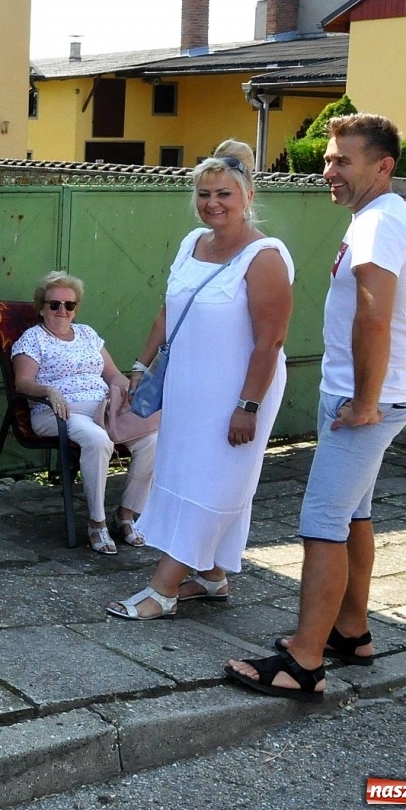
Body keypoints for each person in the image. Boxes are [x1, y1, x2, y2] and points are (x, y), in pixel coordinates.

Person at [227, 113, 406, 700]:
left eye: (343, 160)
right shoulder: (379, 219)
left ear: (383, 166)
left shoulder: (378, 225)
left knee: (321, 523)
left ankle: (304, 662)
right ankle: (351, 631)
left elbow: (373, 315)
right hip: (370, 392)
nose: (329, 170)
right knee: (353, 514)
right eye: (328, 159)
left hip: (365, 398)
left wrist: (364, 401)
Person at [108, 141, 294, 620]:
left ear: (248, 195)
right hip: (189, 389)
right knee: (183, 477)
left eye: (225, 194)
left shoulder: (266, 256)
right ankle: (210, 577)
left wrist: (247, 406)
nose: (213, 203)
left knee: (216, 484)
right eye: (205, 193)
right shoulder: (193, 244)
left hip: (237, 393)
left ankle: (162, 590)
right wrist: (140, 365)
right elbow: (169, 310)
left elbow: (268, 343)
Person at [10, 271, 157, 555]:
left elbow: (113, 375)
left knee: (152, 440)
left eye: (70, 305)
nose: (62, 311)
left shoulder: (88, 335)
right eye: (54, 304)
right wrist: (49, 391)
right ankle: (97, 523)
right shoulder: (33, 339)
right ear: (41, 308)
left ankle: (125, 515)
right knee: (98, 440)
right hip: (57, 411)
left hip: (103, 409)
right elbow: (22, 382)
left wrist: (126, 391)